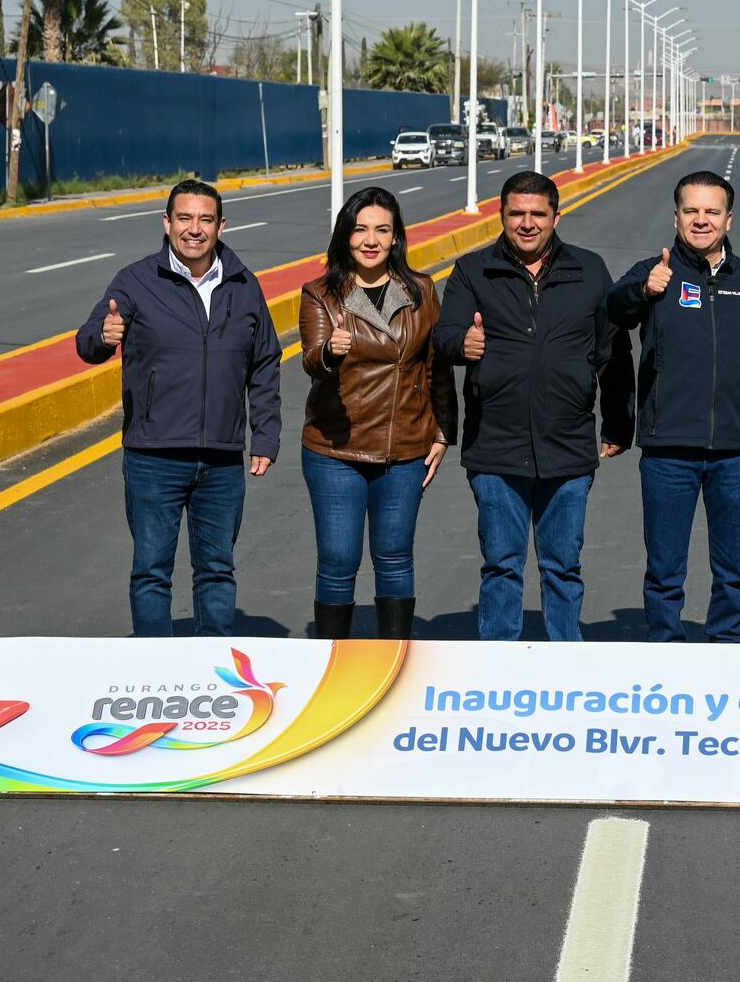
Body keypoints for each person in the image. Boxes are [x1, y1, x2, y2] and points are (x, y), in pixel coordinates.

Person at [434, 170, 634, 641]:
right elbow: (443, 337)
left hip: (567, 446)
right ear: (501, 216)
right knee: (501, 566)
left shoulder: (588, 270)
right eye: (517, 214)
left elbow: (613, 352)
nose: (527, 224)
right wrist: (463, 342)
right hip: (495, 448)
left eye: (537, 214)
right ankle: (498, 671)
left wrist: (619, 423)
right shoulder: (472, 271)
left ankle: (564, 670)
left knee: (563, 566)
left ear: (556, 217)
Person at [76, 178, 282, 636]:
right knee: (151, 573)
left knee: (217, 572)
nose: (195, 229)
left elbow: (265, 362)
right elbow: (88, 339)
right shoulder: (135, 280)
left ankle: (210, 674)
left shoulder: (244, 285)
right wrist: (103, 337)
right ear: (166, 223)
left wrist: (265, 436)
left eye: (205, 219)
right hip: (154, 456)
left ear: (221, 225)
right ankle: (157, 673)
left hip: (222, 459)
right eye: (184, 218)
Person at [606, 170, 740, 643]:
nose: (701, 220)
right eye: (691, 211)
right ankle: (666, 654)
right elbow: (613, 310)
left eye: (712, 212)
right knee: (665, 573)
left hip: (735, 451)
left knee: (734, 571)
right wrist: (643, 291)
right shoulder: (657, 271)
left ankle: (729, 650)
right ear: (676, 216)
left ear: (729, 219)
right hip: (668, 449)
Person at [298, 187, 458, 641]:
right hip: (336, 450)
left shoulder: (421, 289)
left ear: (395, 238)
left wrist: (444, 431)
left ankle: (393, 668)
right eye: (360, 228)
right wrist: (331, 351)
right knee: (337, 562)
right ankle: (334, 668)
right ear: (346, 235)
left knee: (394, 559)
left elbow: (436, 367)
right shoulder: (321, 293)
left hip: (405, 450)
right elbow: (311, 358)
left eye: (382, 230)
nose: (370, 239)